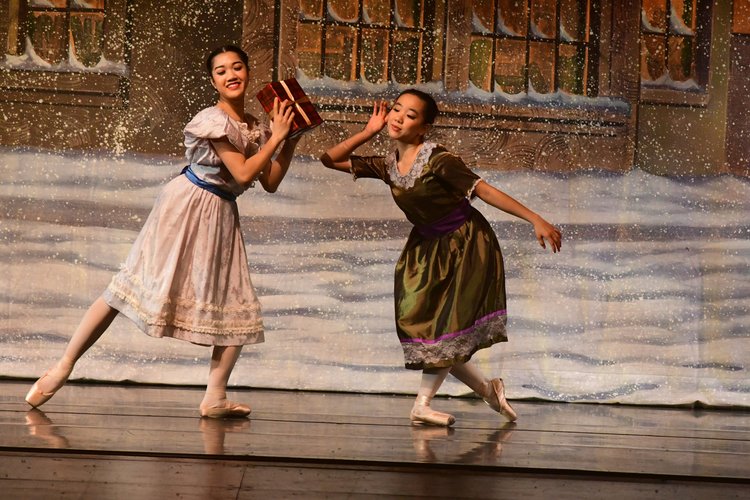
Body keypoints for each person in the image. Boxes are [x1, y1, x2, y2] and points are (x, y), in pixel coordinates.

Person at [25, 44, 300, 418]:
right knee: (127, 286)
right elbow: (243, 172)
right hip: (186, 204)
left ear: (248, 72)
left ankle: (215, 397)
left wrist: (288, 141)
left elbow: (269, 181)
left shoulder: (253, 126)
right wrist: (276, 138)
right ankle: (63, 366)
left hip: (220, 212)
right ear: (213, 81)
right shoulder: (212, 120)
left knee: (236, 298)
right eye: (221, 71)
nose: (231, 75)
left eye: (237, 67)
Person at [320, 89, 562, 426]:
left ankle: (422, 405)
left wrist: (534, 218)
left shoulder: (437, 158)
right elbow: (329, 159)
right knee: (432, 332)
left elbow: (483, 190)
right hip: (426, 248)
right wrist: (367, 132)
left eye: (410, 115)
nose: (398, 118)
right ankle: (489, 390)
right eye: (396, 109)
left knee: (446, 327)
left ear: (424, 127)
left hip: (465, 244)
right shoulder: (389, 165)